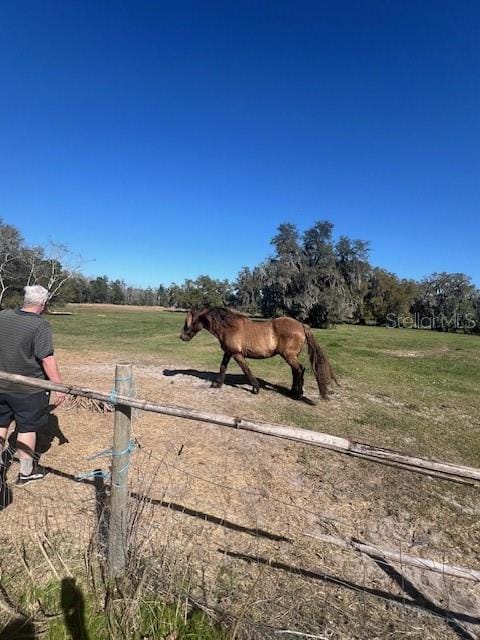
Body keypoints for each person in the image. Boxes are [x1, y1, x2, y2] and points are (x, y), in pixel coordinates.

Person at [0, 285, 66, 486]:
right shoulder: (40, 325)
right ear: (43, 304)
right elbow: (46, 358)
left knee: (1, 424)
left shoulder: (3, 315)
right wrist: (58, 386)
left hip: (1, 384)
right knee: (27, 427)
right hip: (28, 389)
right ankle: (27, 472)